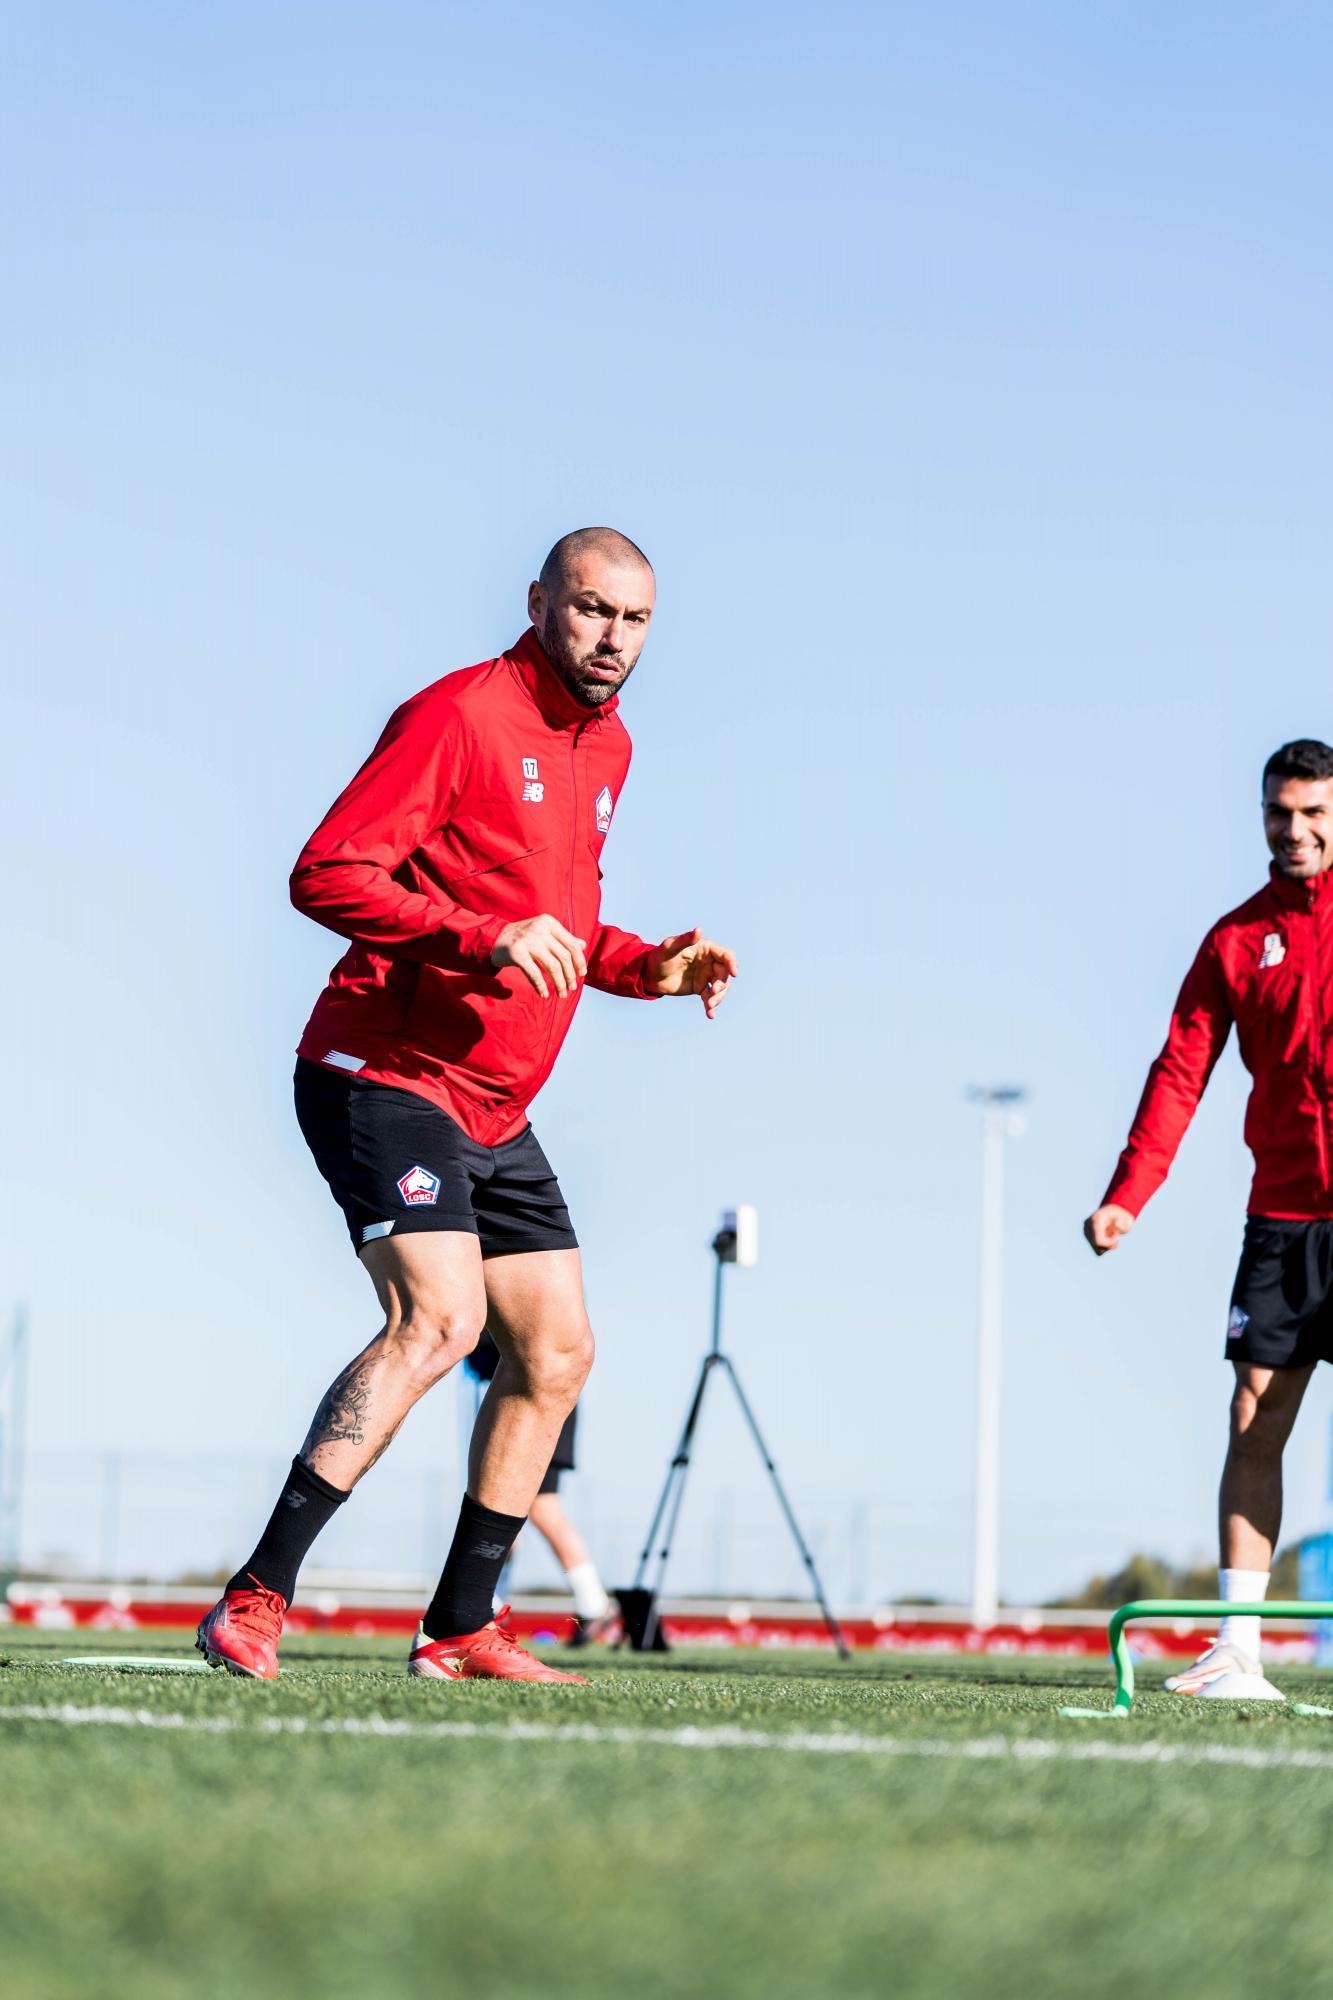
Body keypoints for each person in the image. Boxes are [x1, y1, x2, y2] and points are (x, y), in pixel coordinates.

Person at [196, 527, 737, 1684]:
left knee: (556, 1350)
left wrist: (650, 966)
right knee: (438, 1319)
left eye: (635, 620)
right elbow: (327, 870)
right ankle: (253, 1597)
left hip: (495, 1106)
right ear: (540, 599)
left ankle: (459, 1625)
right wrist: (478, 935)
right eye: (592, 609)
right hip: (382, 1074)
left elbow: (561, 923)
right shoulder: (458, 714)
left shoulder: (612, 747)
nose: (612, 639)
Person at [1084, 738, 1333, 1697]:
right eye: (1281, 812)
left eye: (1313, 812)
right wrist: (1126, 1196)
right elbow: (1179, 1071)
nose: (1296, 829)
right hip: (1279, 1218)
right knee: (1252, 1416)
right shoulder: (1237, 940)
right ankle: (1238, 1647)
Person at [463, 1331, 616, 1643]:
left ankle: (594, 1603)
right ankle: (489, 1602)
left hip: (537, 1404)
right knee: (505, 1504)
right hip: (530, 1400)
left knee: (541, 1507)